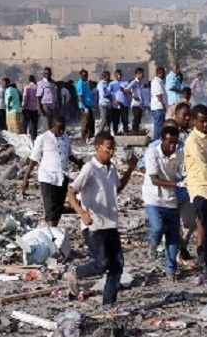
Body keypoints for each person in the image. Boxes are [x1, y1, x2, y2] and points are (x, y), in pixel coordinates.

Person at [66, 132, 137, 310]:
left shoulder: (112, 168)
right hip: (94, 225)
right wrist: (82, 213)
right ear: (97, 147)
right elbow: (71, 192)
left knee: (117, 265)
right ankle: (76, 272)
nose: (111, 153)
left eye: (113, 149)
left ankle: (108, 303)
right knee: (102, 263)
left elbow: (117, 188)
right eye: (108, 149)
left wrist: (130, 170)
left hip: (111, 223)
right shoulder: (89, 168)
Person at [184, 104, 207, 292]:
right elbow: (204, 168)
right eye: (201, 121)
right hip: (201, 190)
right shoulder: (193, 141)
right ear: (193, 121)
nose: (205, 124)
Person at [21, 115, 84, 226]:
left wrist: (78, 163)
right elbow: (34, 159)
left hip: (62, 176)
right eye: (59, 128)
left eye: (63, 128)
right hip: (47, 177)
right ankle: (53, 232)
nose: (61, 131)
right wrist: (26, 178)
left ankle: (52, 230)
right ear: (53, 126)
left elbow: (69, 154)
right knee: (50, 208)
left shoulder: (65, 137)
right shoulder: (43, 138)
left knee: (58, 208)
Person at [142, 125, 184, 279]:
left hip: (170, 199)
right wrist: (177, 184)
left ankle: (170, 269)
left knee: (173, 236)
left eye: (175, 143)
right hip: (153, 198)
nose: (172, 146)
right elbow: (155, 179)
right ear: (162, 140)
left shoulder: (179, 155)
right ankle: (153, 243)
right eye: (169, 143)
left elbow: (185, 172)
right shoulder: (152, 153)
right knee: (158, 227)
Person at [76, 69, 95, 143]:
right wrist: (84, 106)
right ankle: (83, 137)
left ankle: (90, 136)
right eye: (84, 75)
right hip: (84, 106)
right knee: (85, 121)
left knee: (91, 120)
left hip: (89, 105)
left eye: (86, 75)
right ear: (81, 76)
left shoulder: (86, 83)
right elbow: (79, 96)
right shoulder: (80, 83)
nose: (86, 77)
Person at [36, 67, 58, 132]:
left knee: (52, 123)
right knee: (46, 123)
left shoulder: (53, 83)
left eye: (48, 73)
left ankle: (51, 135)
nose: (47, 75)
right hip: (45, 105)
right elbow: (38, 96)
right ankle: (46, 135)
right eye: (45, 73)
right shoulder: (41, 83)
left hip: (53, 105)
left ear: (51, 74)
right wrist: (39, 108)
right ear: (43, 74)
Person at [125, 67, 145, 133]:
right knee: (136, 119)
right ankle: (134, 132)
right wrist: (133, 97)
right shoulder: (134, 82)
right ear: (137, 74)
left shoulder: (140, 83)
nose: (143, 75)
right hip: (136, 104)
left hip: (140, 104)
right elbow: (126, 89)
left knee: (138, 119)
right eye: (141, 73)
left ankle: (136, 131)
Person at [110, 70, 130, 134]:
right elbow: (108, 94)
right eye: (117, 75)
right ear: (114, 75)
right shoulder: (112, 84)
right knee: (115, 120)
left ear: (122, 75)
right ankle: (115, 132)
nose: (119, 76)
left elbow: (129, 94)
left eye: (120, 75)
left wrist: (123, 91)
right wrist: (113, 100)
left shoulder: (125, 83)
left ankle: (126, 131)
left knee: (125, 119)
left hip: (124, 104)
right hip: (115, 105)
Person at [151, 67, 167, 140]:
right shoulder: (156, 81)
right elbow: (158, 95)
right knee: (158, 125)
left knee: (160, 124)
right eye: (164, 73)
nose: (165, 75)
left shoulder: (160, 81)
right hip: (158, 107)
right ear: (160, 73)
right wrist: (163, 105)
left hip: (160, 107)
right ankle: (156, 141)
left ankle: (159, 140)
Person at [22, 75, 39, 141]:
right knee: (34, 123)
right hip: (35, 108)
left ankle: (24, 136)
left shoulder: (27, 87)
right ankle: (33, 137)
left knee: (25, 122)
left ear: (29, 80)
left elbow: (25, 97)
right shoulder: (37, 87)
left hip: (28, 108)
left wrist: (23, 105)